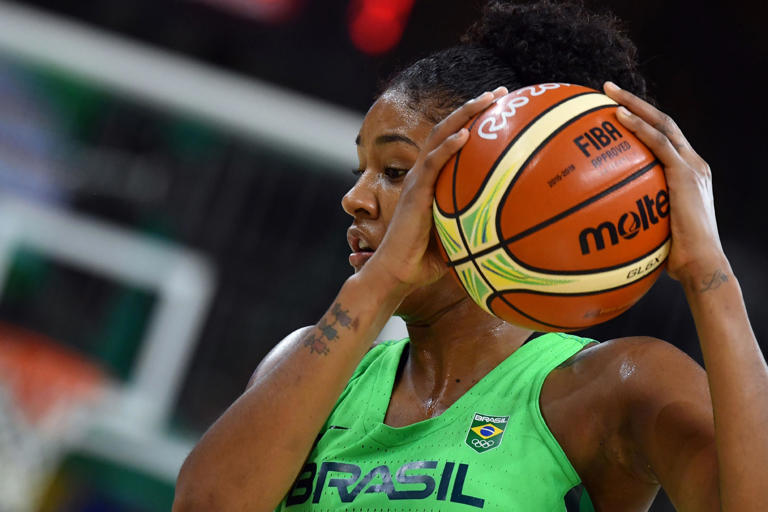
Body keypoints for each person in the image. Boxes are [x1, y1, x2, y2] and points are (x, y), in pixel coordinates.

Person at [173, 1, 768, 510]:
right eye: (362, 170)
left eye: (396, 170)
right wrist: (376, 287)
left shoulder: (611, 385)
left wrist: (708, 273)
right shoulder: (308, 364)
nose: (354, 198)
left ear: (495, 191)